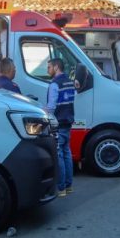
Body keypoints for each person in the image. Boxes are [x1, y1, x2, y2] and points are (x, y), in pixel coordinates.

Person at [46, 58, 76, 197]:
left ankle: (61, 188)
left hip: (58, 123)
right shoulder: (70, 82)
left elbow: (51, 107)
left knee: (59, 155)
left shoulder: (54, 84)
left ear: (57, 67)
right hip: (68, 122)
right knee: (66, 153)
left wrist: (43, 112)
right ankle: (69, 186)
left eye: (49, 67)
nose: (48, 70)